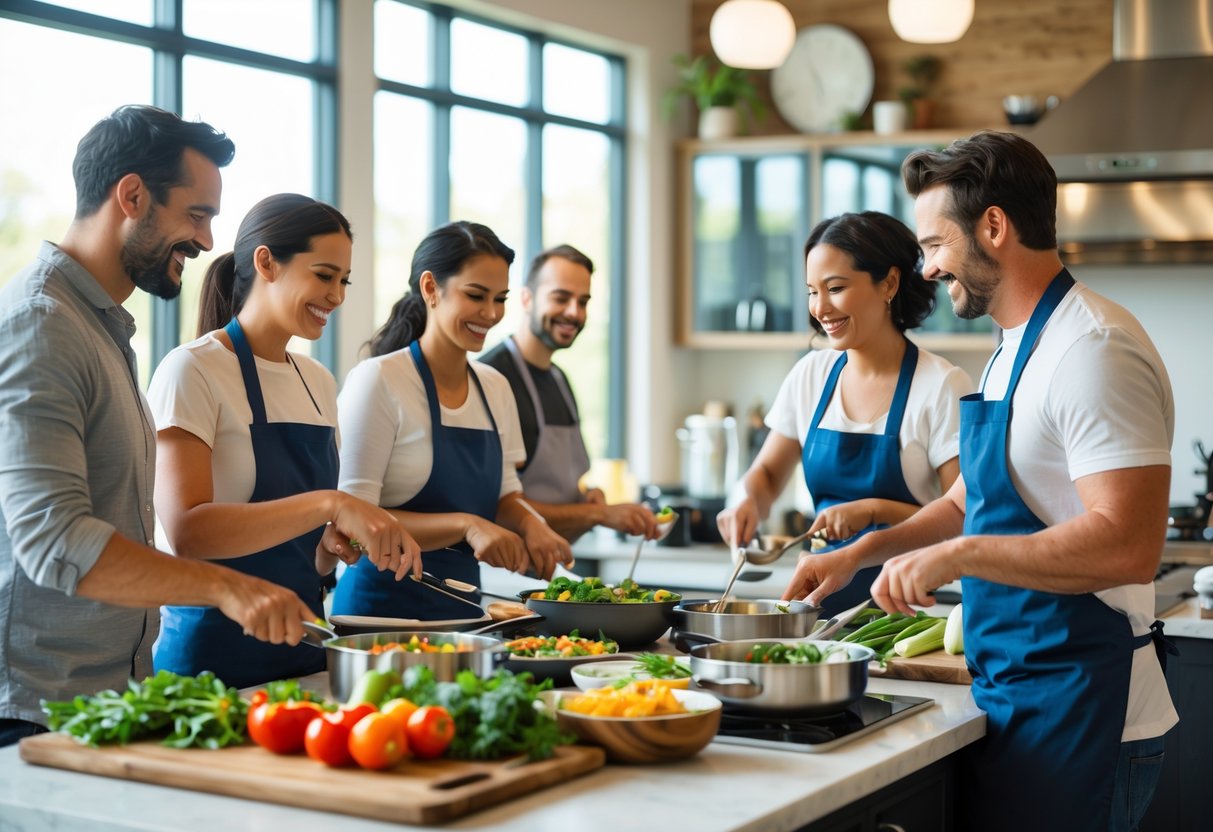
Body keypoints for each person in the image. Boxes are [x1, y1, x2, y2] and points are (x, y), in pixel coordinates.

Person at [782, 131, 1178, 832]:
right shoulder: (1013, 345)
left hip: (1091, 708)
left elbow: (1126, 546)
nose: (927, 269)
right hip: (1021, 694)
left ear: (992, 226)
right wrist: (859, 552)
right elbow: (976, 498)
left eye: (934, 245)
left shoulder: (1094, 350)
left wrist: (957, 555)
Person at [0, 105, 316, 747]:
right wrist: (226, 587)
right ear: (133, 195)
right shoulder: (42, 324)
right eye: (195, 215)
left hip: (105, 699)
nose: (205, 242)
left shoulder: (103, 328)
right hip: (33, 712)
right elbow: (54, 538)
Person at [146, 193, 422, 688]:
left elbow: (303, 547)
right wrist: (328, 505)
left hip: (302, 648)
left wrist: (331, 544)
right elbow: (188, 532)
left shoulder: (317, 381)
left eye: (344, 281)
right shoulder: (193, 369)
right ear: (266, 262)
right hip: (211, 662)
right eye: (323, 275)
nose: (336, 296)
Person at [717, 211, 971, 616]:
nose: (820, 308)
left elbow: (963, 517)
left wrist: (873, 510)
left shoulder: (941, 386)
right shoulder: (811, 375)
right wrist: (746, 500)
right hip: (821, 607)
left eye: (835, 288)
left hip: (911, 613)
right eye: (811, 292)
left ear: (888, 283)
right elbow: (766, 475)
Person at [328, 221, 573, 620]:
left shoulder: (495, 387)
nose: (491, 313)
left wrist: (533, 524)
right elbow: (353, 518)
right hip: (378, 617)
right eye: (476, 295)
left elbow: (506, 495)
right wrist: (466, 525)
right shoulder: (380, 381)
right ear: (430, 288)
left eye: (500, 298)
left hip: (464, 616)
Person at [479, 244, 657, 543]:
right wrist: (600, 515)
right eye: (561, 298)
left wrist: (586, 499)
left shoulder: (560, 380)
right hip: (503, 576)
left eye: (583, 301)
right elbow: (494, 507)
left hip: (551, 570)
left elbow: (559, 488)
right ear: (526, 298)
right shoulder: (490, 379)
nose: (574, 312)